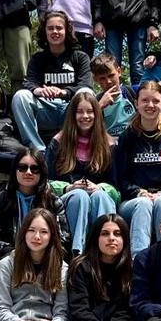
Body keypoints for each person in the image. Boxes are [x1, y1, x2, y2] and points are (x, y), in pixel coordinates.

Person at [114, 81, 161, 253]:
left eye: (155, 101)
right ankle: (138, 261)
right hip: (133, 201)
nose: (150, 105)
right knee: (144, 204)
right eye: (145, 100)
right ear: (136, 103)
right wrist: (139, 192)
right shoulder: (127, 137)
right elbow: (121, 179)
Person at [0, 147, 71, 276]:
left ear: (42, 172)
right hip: (10, 260)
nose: (28, 172)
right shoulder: (1, 200)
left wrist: (38, 254)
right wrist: (16, 253)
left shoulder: (53, 202)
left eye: (35, 168)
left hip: (44, 261)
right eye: (22, 168)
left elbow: (63, 242)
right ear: (15, 170)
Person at [45, 90, 119, 256]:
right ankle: (77, 253)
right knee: (80, 195)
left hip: (100, 199)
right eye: (79, 112)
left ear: (97, 114)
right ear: (72, 115)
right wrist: (68, 188)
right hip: (69, 200)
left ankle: (104, 253)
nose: (85, 116)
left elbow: (117, 190)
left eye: (90, 111)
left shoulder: (110, 145)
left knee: (100, 196)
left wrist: (100, 188)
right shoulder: (58, 142)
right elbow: (45, 183)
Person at [11, 11, 95, 152]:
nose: (55, 32)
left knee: (86, 92)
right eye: (50, 28)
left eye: (59, 28)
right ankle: (38, 150)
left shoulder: (80, 57)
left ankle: (80, 145)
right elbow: (29, 82)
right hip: (45, 109)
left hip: (71, 109)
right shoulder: (38, 58)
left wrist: (64, 92)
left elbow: (86, 84)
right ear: (45, 32)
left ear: (66, 31)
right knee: (20, 96)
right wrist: (40, 90)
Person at [91, 53, 137, 137]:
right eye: (102, 78)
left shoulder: (133, 92)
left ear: (119, 71)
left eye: (111, 75)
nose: (108, 81)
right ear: (96, 80)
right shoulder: (96, 101)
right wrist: (99, 106)